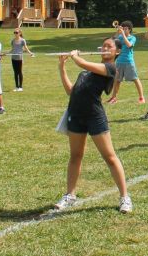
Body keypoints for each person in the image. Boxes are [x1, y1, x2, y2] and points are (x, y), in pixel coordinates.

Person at [53, 39, 132, 213]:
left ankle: (125, 197)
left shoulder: (111, 69)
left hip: (94, 116)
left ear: (117, 52)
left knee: (110, 157)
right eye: (103, 46)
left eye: (109, 47)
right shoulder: (85, 73)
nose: (104, 48)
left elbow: (84, 64)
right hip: (76, 115)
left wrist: (76, 57)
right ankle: (70, 195)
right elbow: (70, 91)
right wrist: (62, 67)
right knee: (75, 156)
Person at [107, 21, 145, 104]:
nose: (124, 30)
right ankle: (113, 98)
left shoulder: (133, 38)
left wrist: (123, 35)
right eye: (123, 28)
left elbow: (129, 45)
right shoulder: (119, 37)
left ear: (130, 29)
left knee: (135, 79)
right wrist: (117, 33)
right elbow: (110, 41)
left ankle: (141, 97)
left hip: (129, 62)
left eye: (125, 28)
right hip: (119, 61)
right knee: (116, 80)